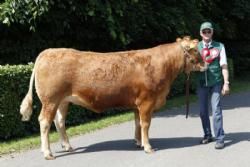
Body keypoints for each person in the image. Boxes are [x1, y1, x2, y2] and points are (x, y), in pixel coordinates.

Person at [197, 21, 230, 149]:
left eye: (208, 31)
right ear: (200, 33)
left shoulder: (220, 46)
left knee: (216, 110)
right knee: (202, 112)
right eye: (204, 31)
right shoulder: (196, 47)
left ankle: (220, 138)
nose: (206, 33)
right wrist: (197, 69)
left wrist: (226, 83)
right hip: (201, 83)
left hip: (216, 82)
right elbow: (190, 65)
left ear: (212, 32)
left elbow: (224, 66)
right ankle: (207, 135)